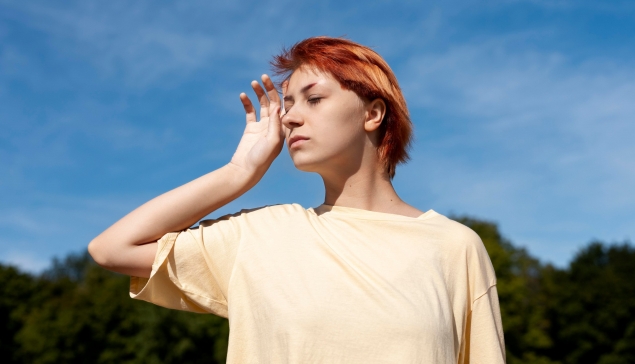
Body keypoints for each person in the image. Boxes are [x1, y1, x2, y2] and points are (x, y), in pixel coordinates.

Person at [88, 36, 506, 363]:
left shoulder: (454, 247)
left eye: (314, 98)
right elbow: (112, 248)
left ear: (373, 113)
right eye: (287, 104)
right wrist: (238, 174)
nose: (288, 117)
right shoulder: (261, 235)